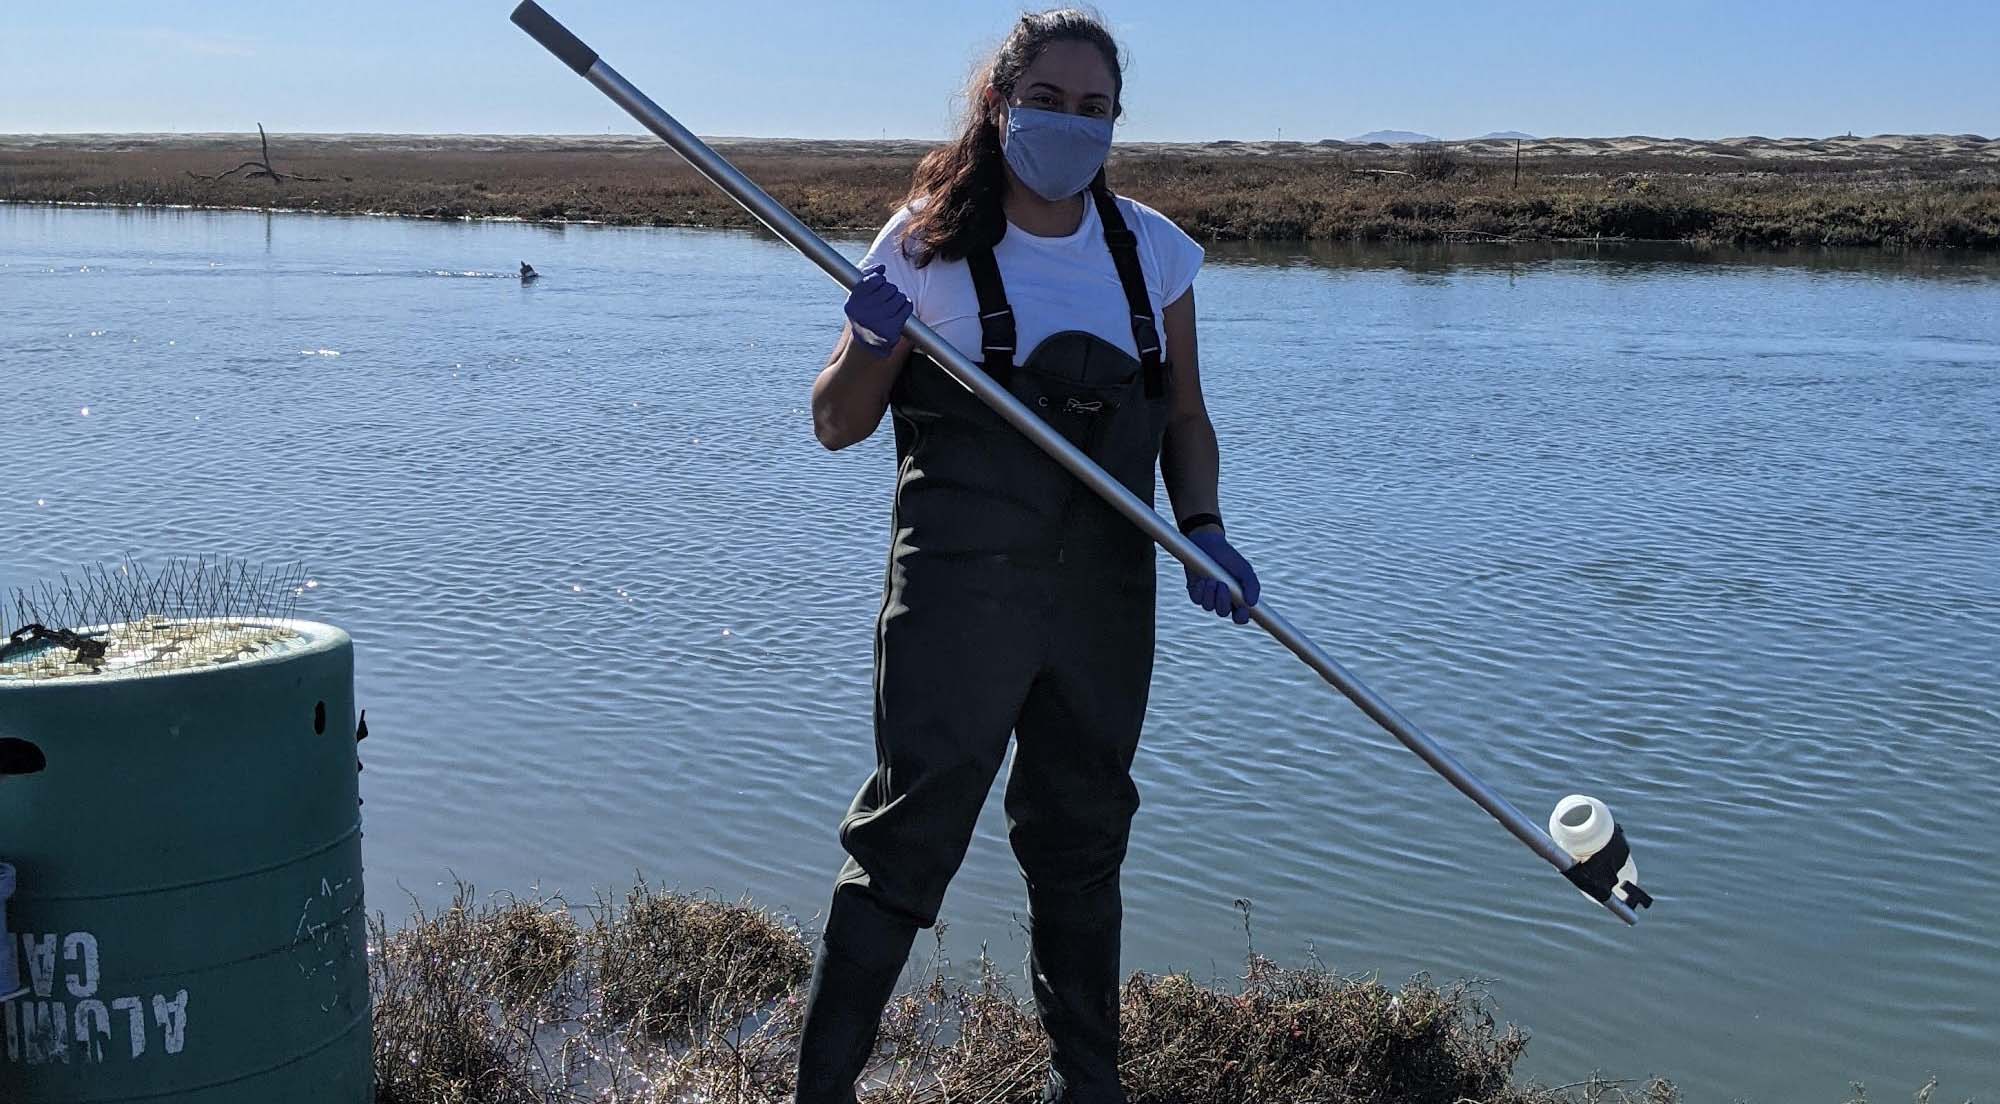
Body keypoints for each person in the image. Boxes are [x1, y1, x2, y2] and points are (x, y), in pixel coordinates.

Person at [798, 10, 1259, 1104]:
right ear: (999, 108)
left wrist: (1200, 525)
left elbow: (1185, 417)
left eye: (1092, 108)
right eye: (1045, 103)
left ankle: (1085, 1089)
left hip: (1103, 601)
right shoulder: (922, 244)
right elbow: (835, 423)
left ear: (1114, 122)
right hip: (959, 599)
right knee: (905, 844)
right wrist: (869, 339)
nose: (1070, 124)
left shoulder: (1151, 250)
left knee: (1081, 843)